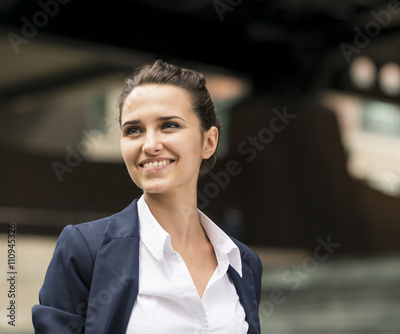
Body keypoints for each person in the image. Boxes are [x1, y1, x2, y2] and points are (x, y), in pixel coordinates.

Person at [32, 60, 263, 334]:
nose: (150, 144)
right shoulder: (83, 250)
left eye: (169, 125)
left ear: (208, 142)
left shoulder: (242, 262)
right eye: (133, 130)